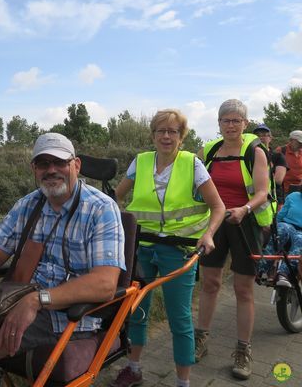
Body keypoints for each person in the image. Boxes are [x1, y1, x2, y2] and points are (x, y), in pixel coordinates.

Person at [0, 132, 126, 387]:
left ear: (76, 165)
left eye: (60, 162)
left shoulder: (101, 209)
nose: (51, 170)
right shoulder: (28, 205)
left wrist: (39, 300)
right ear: (34, 169)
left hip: (69, 314)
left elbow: (105, 284)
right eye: (43, 164)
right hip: (21, 299)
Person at [110, 109, 225, 387]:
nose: (166, 136)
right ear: (152, 135)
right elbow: (114, 199)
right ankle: (134, 368)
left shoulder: (192, 164)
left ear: (181, 136)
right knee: (137, 310)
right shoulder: (140, 162)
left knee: (179, 318)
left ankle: (182, 382)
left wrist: (208, 234)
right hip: (142, 248)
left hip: (180, 250)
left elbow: (218, 207)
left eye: (172, 131)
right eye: (160, 130)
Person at [195, 99, 272, 380]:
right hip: (215, 224)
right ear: (218, 124)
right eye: (225, 121)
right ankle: (200, 339)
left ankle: (243, 350)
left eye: (236, 121)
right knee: (210, 283)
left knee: (243, 289)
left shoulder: (255, 152)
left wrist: (245, 209)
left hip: (245, 224)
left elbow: (263, 191)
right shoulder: (209, 151)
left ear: (245, 123)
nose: (230, 125)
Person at [259, 187, 302, 288]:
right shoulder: (293, 196)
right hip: (288, 225)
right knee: (281, 230)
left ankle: (284, 274)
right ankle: (261, 268)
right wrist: (272, 226)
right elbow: (280, 215)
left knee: (300, 240)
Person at [253, 124, 287, 207]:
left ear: (270, 138)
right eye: (257, 135)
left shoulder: (278, 156)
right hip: (251, 197)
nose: (261, 138)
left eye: (264, 135)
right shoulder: (249, 156)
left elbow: (278, 180)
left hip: (275, 199)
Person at [277, 130, 302, 195]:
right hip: (283, 190)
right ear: (291, 140)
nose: (301, 145)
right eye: (299, 142)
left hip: (299, 189)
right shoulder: (281, 151)